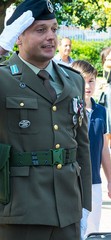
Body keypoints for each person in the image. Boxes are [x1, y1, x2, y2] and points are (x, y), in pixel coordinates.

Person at [0, 1, 92, 240]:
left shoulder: (73, 80)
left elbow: (81, 146)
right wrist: (1, 47)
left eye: (54, 29)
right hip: (20, 211)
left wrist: (84, 204)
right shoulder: (3, 78)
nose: (51, 37)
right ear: (17, 37)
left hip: (67, 209)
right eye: (40, 30)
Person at [71, 60, 111, 239]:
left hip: (94, 180)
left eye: (91, 80)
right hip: (72, 178)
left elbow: (103, 147)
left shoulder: (100, 111)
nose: (88, 85)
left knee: (92, 228)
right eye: (83, 80)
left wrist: (110, 180)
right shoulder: (67, 108)